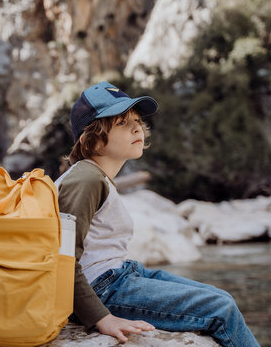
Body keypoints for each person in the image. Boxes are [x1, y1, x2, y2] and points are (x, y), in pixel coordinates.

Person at [55, 81, 260, 346]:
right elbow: (63, 257)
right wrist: (100, 317)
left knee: (221, 297)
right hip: (102, 289)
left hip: (121, 274)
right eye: (121, 123)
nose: (136, 127)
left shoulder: (96, 176)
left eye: (137, 120)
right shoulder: (86, 179)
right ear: (89, 139)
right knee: (221, 309)